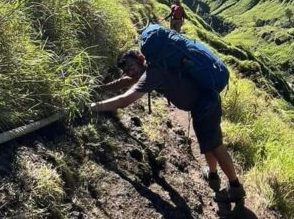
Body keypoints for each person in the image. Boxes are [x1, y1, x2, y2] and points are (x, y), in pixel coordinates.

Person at [91, 49, 246, 204]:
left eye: (131, 68)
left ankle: (235, 188)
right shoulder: (151, 66)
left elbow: (124, 101)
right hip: (203, 103)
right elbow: (126, 81)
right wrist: (100, 88)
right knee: (208, 144)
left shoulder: (152, 74)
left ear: (140, 58)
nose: (130, 73)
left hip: (205, 106)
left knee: (216, 145)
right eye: (126, 71)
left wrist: (91, 106)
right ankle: (213, 175)